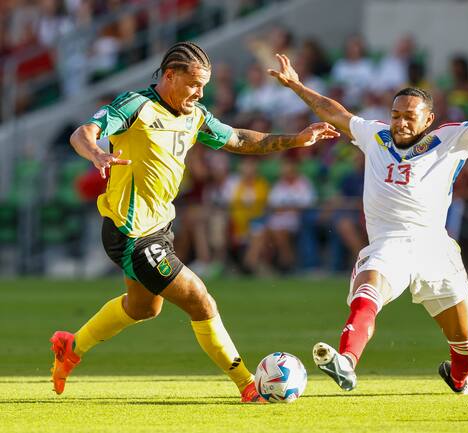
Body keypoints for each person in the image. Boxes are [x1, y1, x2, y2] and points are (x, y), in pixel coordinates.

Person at [269, 53, 468, 394]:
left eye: (409, 117)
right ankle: (346, 361)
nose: (400, 123)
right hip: (390, 242)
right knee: (368, 291)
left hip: (433, 247)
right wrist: (297, 85)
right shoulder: (375, 137)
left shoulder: (450, 140)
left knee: (466, 343)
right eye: (395, 115)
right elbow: (335, 112)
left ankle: (459, 376)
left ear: (428, 119)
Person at [49, 42, 339, 402]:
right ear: (170, 75)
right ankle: (249, 385)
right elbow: (83, 132)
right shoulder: (136, 106)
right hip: (130, 231)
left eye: (205, 85)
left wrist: (295, 140)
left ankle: (70, 346)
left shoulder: (195, 115)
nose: (200, 92)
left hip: (158, 227)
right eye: (194, 84)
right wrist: (95, 152)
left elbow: (239, 139)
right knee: (201, 301)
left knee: (143, 308)